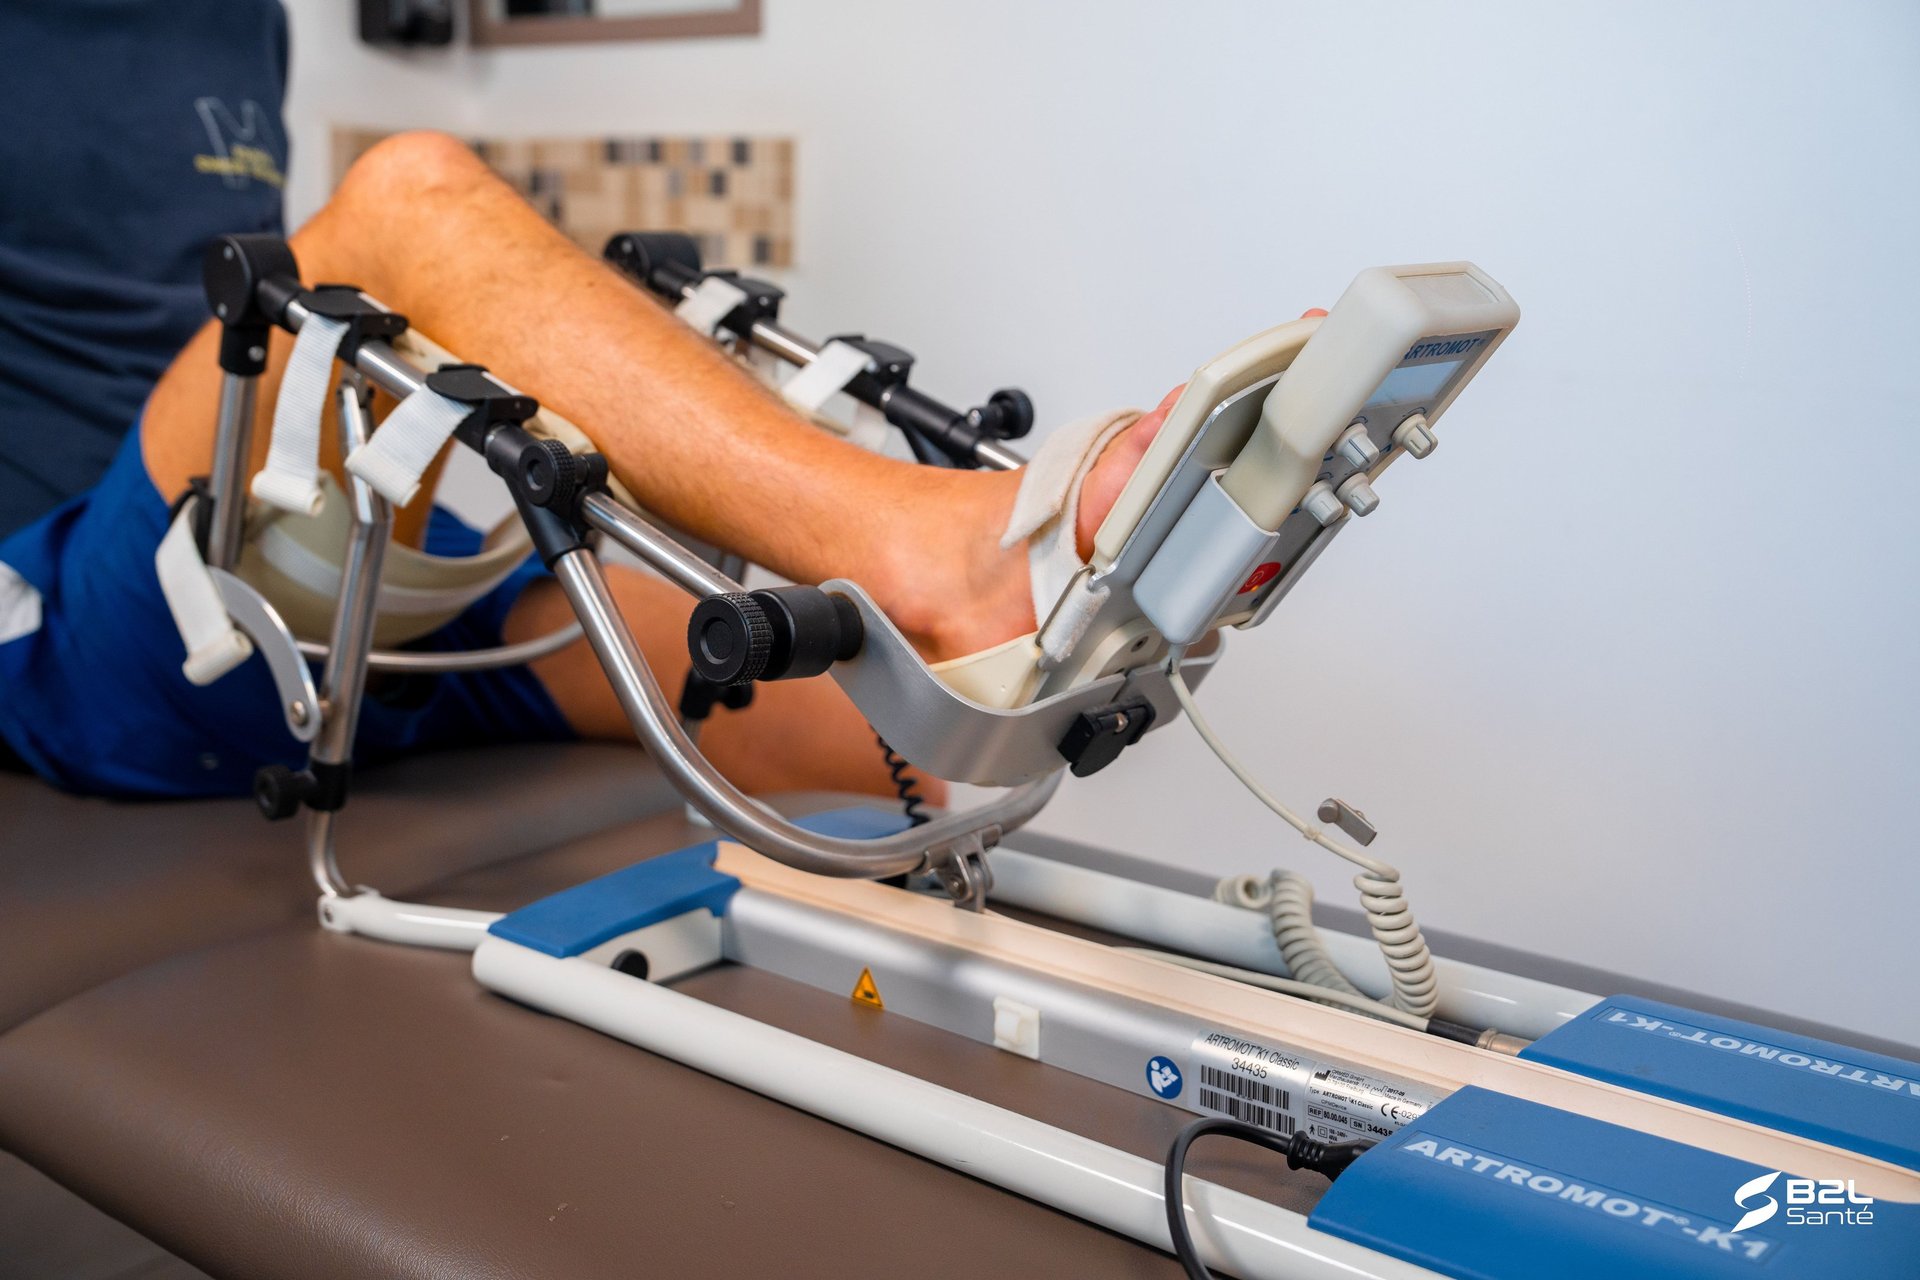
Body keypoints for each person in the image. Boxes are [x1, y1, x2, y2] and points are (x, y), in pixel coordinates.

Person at [0, 132, 1180, 802]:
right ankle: (931, 544)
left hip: (395, 595)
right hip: (92, 602)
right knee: (403, 198)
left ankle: (1110, 605)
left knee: (881, 734)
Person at [0, 0, 291, 537]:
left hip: (254, 471)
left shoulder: (251, 18)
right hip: (56, 526)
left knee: (494, 587)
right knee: (416, 179)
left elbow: (261, 273)